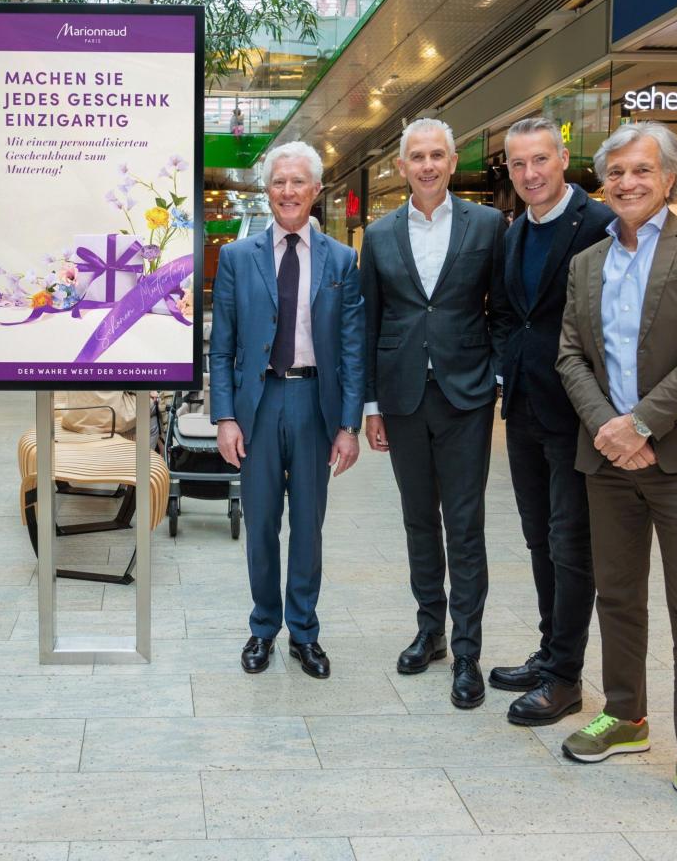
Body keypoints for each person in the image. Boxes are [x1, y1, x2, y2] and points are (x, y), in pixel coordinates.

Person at [555, 120, 677, 833]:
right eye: (615, 172)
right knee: (617, 594)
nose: (627, 182)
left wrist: (641, 424)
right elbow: (570, 354)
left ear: (671, 177)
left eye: (642, 170)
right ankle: (625, 714)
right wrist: (609, 427)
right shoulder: (587, 262)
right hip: (607, 459)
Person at [360, 117, 509, 709]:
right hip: (401, 398)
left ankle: (468, 650)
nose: (427, 165)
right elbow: (371, 322)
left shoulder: (488, 225)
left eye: (437, 155)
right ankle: (431, 631)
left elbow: (504, 308)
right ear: (401, 167)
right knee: (418, 519)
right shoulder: (378, 235)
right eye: (416, 156)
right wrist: (372, 404)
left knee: (465, 524)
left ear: (452, 161)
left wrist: (495, 375)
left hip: (466, 396)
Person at [210, 141, 363, 679]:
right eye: (279, 182)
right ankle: (262, 627)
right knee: (260, 522)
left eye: (298, 182)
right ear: (267, 190)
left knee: (308, 525)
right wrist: (225, 417)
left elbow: (352, 348)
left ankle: (304, 631)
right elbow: (222, 346)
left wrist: (349, 425)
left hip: (315, 404)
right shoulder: (237, 257)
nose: (288, 191)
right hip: (259, 403)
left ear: (316, 190)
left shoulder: (341, 260)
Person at [488, 117, 614, 726]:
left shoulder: (599, 224)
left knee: (570, 543)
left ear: (564, 158)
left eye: (540, 160)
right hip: (523, 410)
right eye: (518, 164)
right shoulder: (514, 231)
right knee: (539, 538)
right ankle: (549, 652)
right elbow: (508, 315)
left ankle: (565, 678)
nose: (530, 173)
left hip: (577, 413)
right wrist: (504, 370)